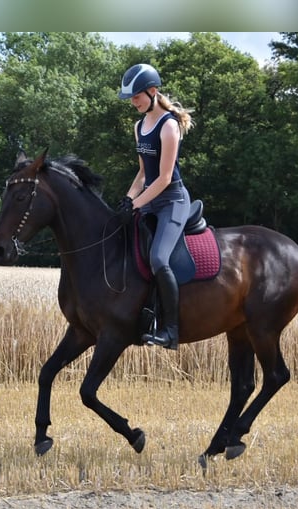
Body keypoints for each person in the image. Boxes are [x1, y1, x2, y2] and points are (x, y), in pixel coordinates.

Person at [115, 63, 194, 350]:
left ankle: (171, 331)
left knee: (159, 258)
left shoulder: (169, 125)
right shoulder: (139, 126)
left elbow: (162, 178)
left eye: (136, 96)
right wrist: (127, 200)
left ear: (152, 91)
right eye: (131, 98)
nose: (133, 102)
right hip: (149, 199)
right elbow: (142, 174)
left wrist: (136, 204)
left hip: (172, 200)